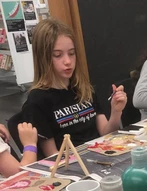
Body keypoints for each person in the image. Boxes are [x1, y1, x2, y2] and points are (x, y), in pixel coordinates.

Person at [22, 19, 127, 157]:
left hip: (100, 155)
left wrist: (115, 112)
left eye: (71, 53)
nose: (68, 61)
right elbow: (53, 156)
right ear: (43, 58)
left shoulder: (83, 88)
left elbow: (105, 134)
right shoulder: (38, 99)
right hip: (71, 165)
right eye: (58, 55)